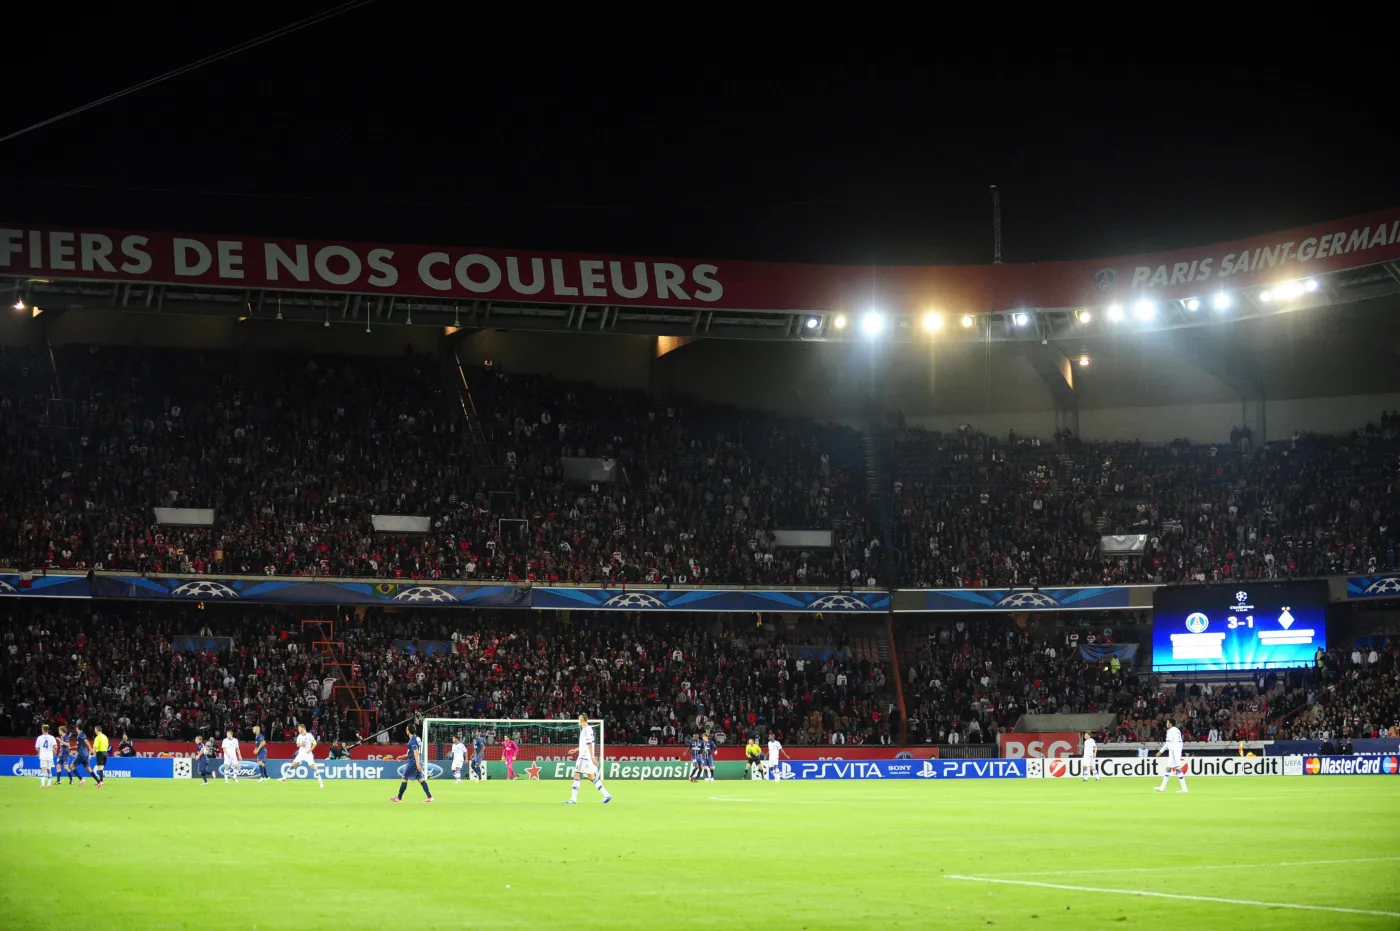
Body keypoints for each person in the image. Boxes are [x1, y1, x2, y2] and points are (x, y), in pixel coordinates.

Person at [564, 713, 611, 805]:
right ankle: (606, 795)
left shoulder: (585, 730)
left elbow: (589, 744)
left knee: (576, 775)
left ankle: (573, 799)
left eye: (579, 719)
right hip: (587, 757)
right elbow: (585, 744)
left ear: (582, 720)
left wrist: (593, 758)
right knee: (591, 777)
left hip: (584, 757)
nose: (578, 720)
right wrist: (576, 750)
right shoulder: (588, 729)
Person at [392, 724, 434, 803]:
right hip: (418, 760)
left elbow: (416, 752)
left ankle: (399, 798)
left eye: (406, 729)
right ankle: (429, 796)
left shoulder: (412, 741)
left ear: (408, 730)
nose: (406, 730)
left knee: (404, 778)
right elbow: (413, 752)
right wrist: (403, 756)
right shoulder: (417, 738)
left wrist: (417, 764)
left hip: (413, 762)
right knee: (420, 779)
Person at [1155, 718, 1188, 793]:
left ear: (1170, 723)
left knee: (1178, 768)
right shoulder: (1177, 730)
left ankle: (1184, 788)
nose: (1166, 724)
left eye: (1167, 722)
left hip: (1173, 751)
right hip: (1175, 750)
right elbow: (1180, 742)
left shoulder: (1170, 731)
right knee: (1168, 768)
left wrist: (1160, 751)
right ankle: (1162, 787)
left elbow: (1167, 743)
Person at [34, 724, 56, 788]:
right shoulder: (52, 737)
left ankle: (43, 784)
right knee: (49, 770)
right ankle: (49, 785)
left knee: (43, 770)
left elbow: (37, 748)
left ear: (43, 730)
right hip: (50, 756)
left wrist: (38, 753)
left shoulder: (39, 738)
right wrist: (54, 751)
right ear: (48, 730)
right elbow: (55, 746)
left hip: (43, 756)